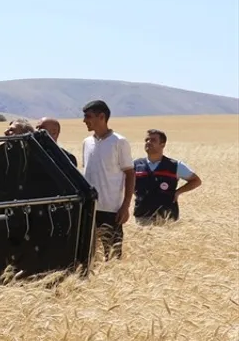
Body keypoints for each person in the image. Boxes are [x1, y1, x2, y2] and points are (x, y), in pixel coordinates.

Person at [80, 100, 134, 260]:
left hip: (111, 210)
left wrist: (125, 206)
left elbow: (130, 174)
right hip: (89, 209)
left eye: (88, 116)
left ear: (101, 117)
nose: (84, 121)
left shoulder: (119, 142)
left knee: (112, 257)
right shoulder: (86, 142)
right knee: (87, 257)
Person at [132, 129, 202, 224]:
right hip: (142, 216)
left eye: (153, 140)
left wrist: (178, 192)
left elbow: (196, 181)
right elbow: (125, 182)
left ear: (163, 144)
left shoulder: (175, 165)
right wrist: (137, 194)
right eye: (147, 140)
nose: (148, 142)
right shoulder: (135, 165)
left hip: (167, 217)